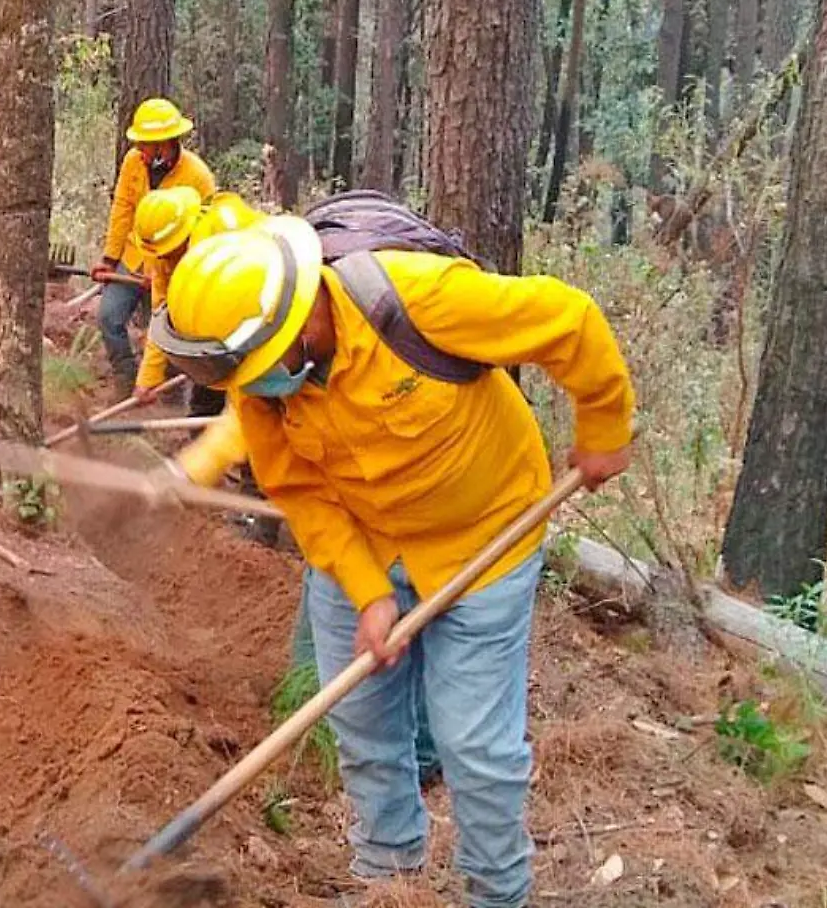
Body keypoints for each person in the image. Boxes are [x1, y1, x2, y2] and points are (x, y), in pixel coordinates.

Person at [152, 216, 635, 908]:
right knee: (362, 723)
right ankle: (387, 879)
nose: (255, 391)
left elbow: (570, 321)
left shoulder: (418, 300)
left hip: (485, 539)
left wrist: (604, 428)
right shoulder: (258, 382)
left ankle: (496, 895)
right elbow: (301, 495)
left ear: (298, 321)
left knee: (475, 748)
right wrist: (367, 591)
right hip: (368, 540)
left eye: (263, 372)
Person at [98, 98, 216, 398]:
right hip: (134, 256)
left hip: (176, 270)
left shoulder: (198, 178)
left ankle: (167, 397)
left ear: (164, 144)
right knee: (109, 318)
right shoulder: (132, 163)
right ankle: (127, 384)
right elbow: (122, 208)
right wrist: (110, 259)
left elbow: (205, 238)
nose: (139, 149)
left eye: (145, 145)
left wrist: (169, 277)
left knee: (168, 335)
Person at [130, 189, 260, 416]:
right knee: (205, 400)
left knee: (255, 401)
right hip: (214, 331)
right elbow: (163, 314)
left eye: (167, 252)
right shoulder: (164, 257)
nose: (163, 259)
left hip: (257, 311)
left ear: (185, 234)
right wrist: (148, 378)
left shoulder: (222, 240)